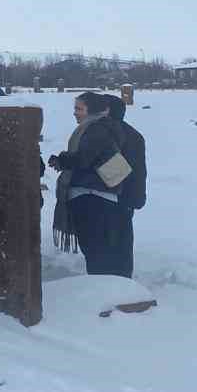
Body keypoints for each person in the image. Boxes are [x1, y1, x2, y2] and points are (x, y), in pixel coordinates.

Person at [48, 93, 129, 277]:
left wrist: (62, 160)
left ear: (91, 111)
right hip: (95, 196)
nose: (75, 113)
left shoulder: (96, 128)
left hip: (93, 198)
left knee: (96, 253)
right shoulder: (97, 127)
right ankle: (105, 291)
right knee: (98, 251)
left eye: (79, 109)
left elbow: (84, 158)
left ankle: (103, 294)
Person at [104, 97, 146, 276]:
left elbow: (130, 169)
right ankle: (122, 277)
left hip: (115, 194)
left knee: (115, 241)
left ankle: (118, 281)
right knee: (122, 240)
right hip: (126, 195)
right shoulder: (133, 134)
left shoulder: (112, 134)